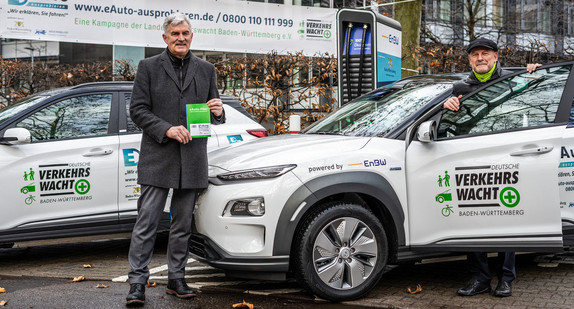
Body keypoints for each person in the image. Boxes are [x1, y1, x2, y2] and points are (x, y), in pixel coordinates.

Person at [125, 12, 225, 307]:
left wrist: (218, 112)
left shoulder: (206, 70)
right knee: (147, 222)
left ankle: (176, 278)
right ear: (165, 37)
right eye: (175, 34)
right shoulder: (148, 67)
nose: (181, 38)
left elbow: (213, 114)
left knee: (182, 224)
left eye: (186, 33)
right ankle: (137, 282)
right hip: (158, 157)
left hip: (192, 158)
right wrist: (166, 129)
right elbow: (138, 111)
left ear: (191, 36)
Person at [444, 38, 540, 298]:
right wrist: (447, 106)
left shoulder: (515, 79)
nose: (480, 58)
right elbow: (448, 119)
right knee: (474, 219)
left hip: (505, 156)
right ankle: (480, 278)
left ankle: (506, 278)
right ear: (469, 60)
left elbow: (535, 93)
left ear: (496, 57)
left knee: (505, 218)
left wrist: (536, 72)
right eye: (475, 55)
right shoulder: (459, 87)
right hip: (472, 160)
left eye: (485, 53)